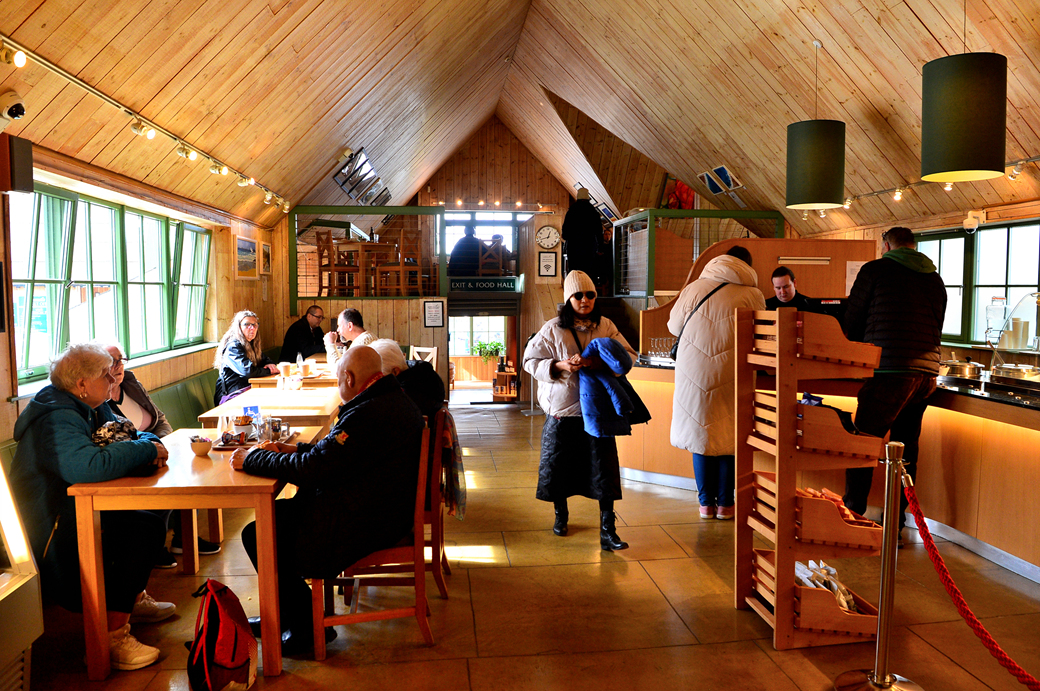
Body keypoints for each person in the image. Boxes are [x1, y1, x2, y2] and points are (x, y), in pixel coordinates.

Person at [229, 346, 424, 654]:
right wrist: (296, 449)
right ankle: (290, 616)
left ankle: (306, 629)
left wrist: (254, 459)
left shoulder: (368, 413)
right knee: (272, 521)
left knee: (262, 532)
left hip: (365, 521)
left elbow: (317, 469)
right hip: (379, 509)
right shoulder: (388, 399)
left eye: (338, 379)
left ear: (349, 378)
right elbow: (337, 455)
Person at [9, 343, 174, 671]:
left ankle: (129, 599)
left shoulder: (93, 405)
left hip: (76, 512)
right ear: (82, 383)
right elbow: (87, 467)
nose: (113, 380)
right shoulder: (57, 416)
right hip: (49, 529)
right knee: (141, 530)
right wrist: (147, 450)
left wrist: (148, 445)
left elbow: (130, 436)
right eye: (105, 375)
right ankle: (110, 638)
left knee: (153, 515)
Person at [842, 226, 946, 542]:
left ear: (886, 245)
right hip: (925, 375)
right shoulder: (935, 278)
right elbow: (938, 323)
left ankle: (853, 520)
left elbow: (852, 320)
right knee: (904, 451)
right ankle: (896, 524)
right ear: (913, 246)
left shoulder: (875, 270)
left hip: (888, 371)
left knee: (862, 445)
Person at [523, 270, 637, 551]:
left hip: (598, 411)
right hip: (563, 411)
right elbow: (530, 361)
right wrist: (560, 366)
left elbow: (629, 356)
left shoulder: (606, 325)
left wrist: (594, 363)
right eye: (578, 295)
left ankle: (608, 530)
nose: (584, 300)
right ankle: (560, 516)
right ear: (568, 299)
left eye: (590, 294)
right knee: (558, 468)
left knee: (604, 472)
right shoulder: (552, 328)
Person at [668, 246, 766, 520]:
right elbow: (762, 335)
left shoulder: (694, 288)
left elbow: (673, 327)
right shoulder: (753, 294)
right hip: (734, 372)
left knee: (700, 436)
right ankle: (725, 505)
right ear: (747, 266)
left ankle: (705, 505)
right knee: (729, 437)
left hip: (694, 372)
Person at [369, 338, 445, 420]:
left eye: (378, 375)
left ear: (395, 372)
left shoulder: (407, 394)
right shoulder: (411, 371)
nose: (373, 380)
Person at [214, 310, 278, 405]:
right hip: (231, 394)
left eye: (255, 325)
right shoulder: (233, 347)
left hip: (247, 389)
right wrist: (269, 371)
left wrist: (269, 363)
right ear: (238, 327)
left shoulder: (251, 344)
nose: (252, 328)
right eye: (247, 324)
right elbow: (247, 371)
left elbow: (264, 359)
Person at [561, 188, 601, 279]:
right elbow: (598, 231)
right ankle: (585, 285)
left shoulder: (572, 210)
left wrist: (567, 237)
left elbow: (565, 230)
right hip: (589, 245)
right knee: (587, 270)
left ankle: (574, 286)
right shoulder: (593, 211)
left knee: (573, 270)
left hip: (573, 246)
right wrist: (600, 247)